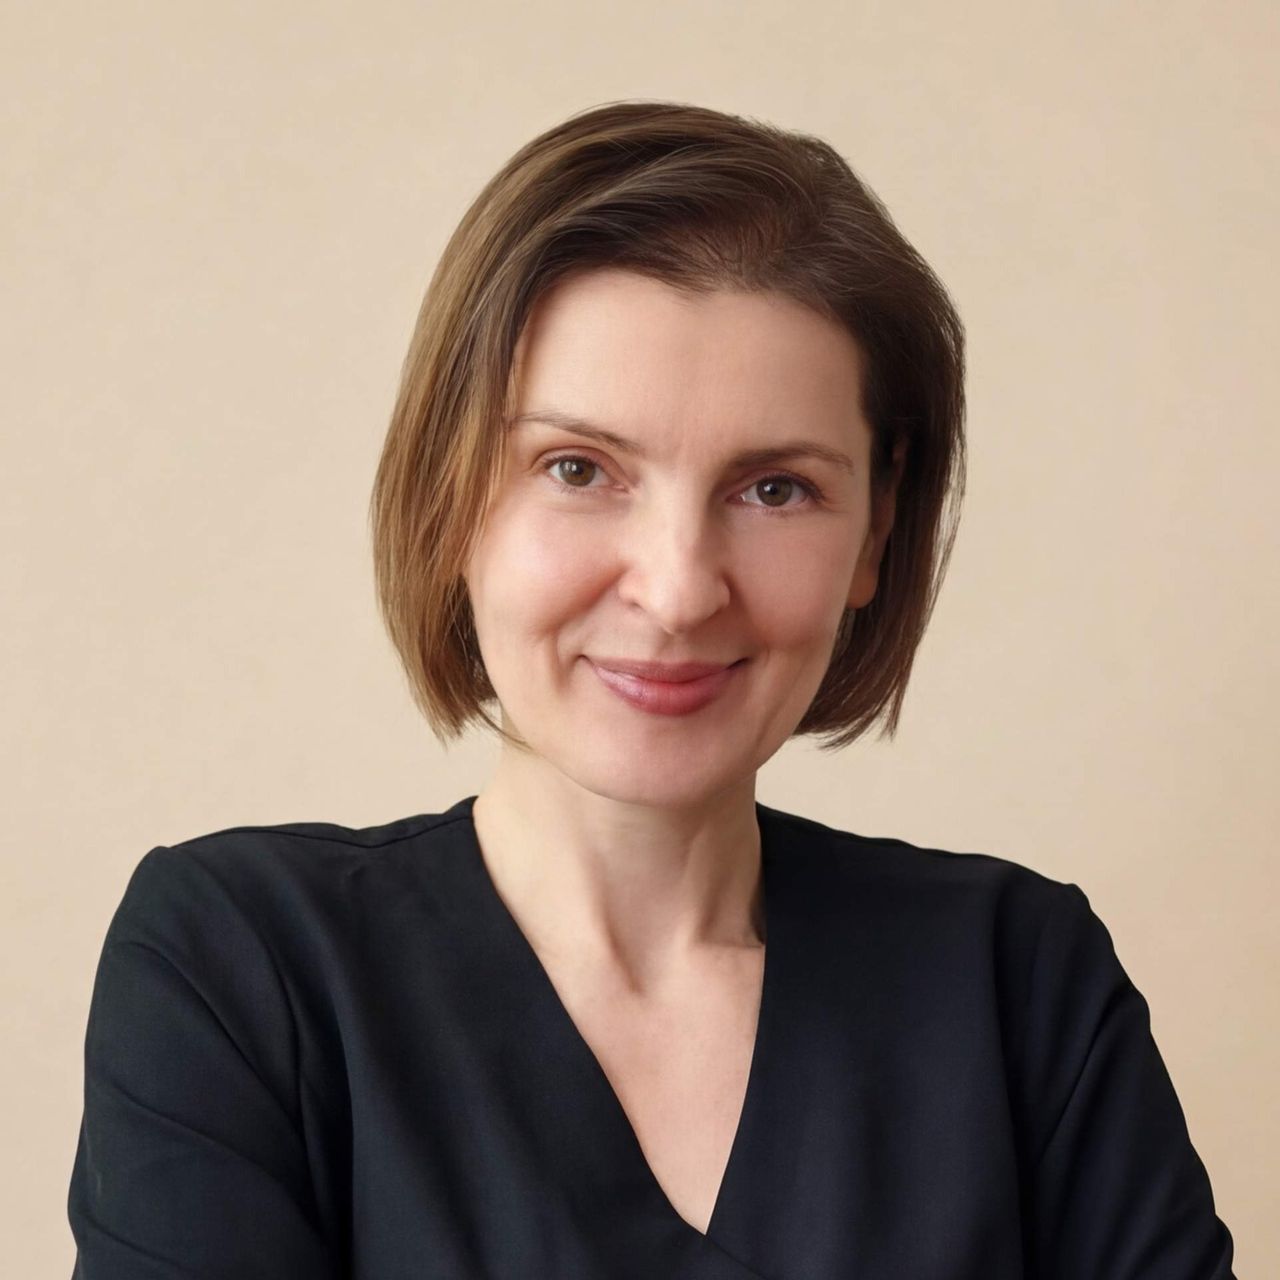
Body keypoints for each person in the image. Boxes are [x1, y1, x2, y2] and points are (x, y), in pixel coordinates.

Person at [67, 100, 1236, 1278]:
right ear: (450, 496)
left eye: (773, 488)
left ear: (876, 531)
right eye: (577, 468)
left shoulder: (1016, 983)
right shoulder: (242, 966)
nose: (677, 591)